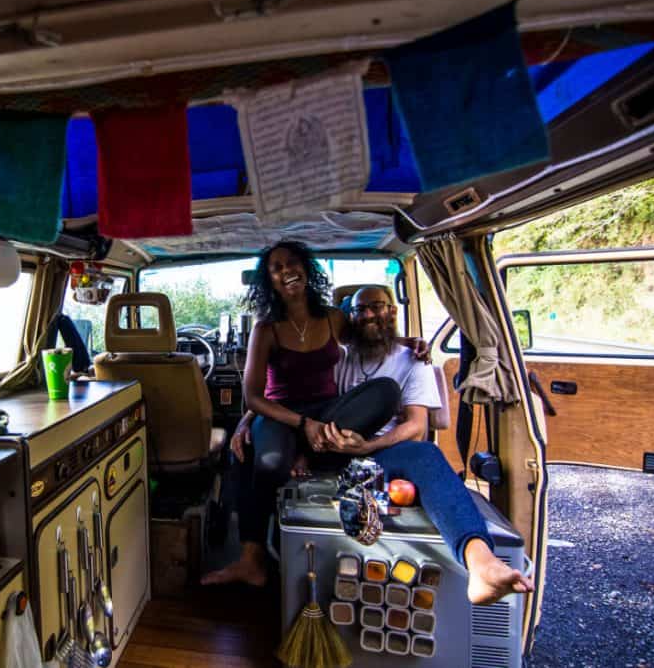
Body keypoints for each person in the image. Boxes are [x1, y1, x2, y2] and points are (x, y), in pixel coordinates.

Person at [220, 285, 535, 605]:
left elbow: (416, 425)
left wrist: (368, 447)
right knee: (247, 448)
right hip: (327, 449)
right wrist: (248, 422)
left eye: (377, 307)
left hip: (382, 451)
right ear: (349, 317)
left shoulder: (414, 360)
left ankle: (481, 563)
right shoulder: (339, 357)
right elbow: (288, 396)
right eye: (359, 310)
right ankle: (254, 558)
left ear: (393, 312)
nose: (369, 315)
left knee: (422, 448)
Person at [201, 241, 405, 588]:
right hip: (282, 414)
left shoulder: (333, 318)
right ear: (270, 281)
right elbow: (253, 396)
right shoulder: (266, 329)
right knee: (265, 462)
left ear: (307, 269)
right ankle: (253, 560)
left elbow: (373, 337)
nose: (286, 272)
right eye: (276, 268)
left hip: (329, 411)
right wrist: (302, 424)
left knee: (386, 391)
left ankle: (307, 452)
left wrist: (409, 342)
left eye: (292, 263)